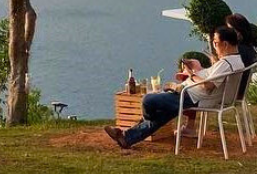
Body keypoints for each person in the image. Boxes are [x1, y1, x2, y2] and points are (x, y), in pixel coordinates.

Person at [103, 27, 245, 149]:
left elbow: (208, 86)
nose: (214, 46)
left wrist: (192, 74)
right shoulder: (235, 60)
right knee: (162, 112)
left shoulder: (226, 63)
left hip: (192, 96)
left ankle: (143, 123)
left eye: (215, 43)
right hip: (191, 93)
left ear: (225, 44)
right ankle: (126, 138)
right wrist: (198, 68)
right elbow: (213, 78)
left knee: (148, 100)